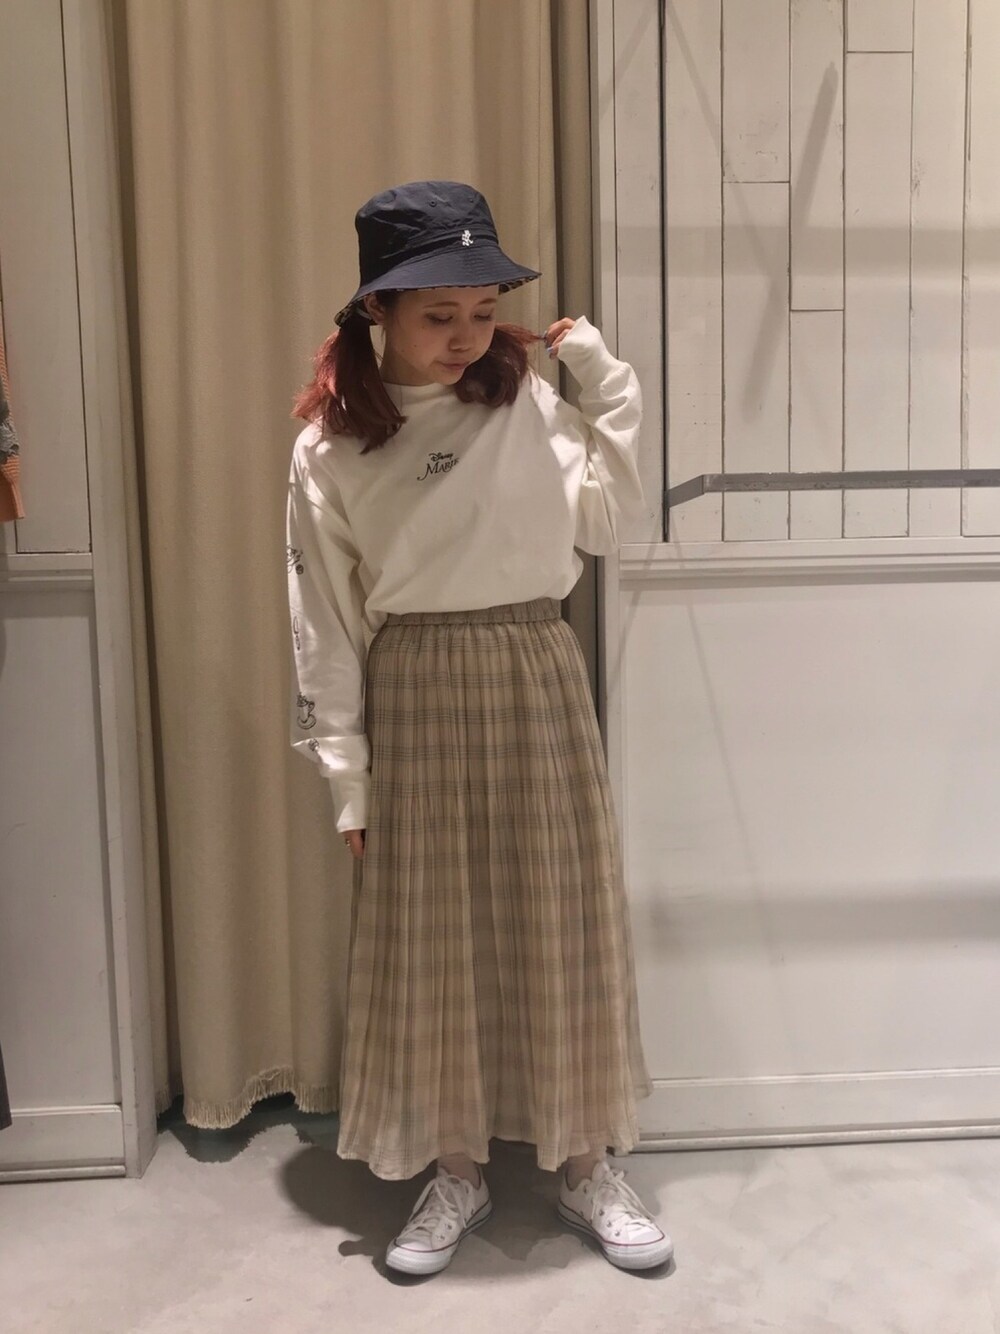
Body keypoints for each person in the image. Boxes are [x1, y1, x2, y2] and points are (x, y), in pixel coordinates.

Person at [286, 180, 672, 1277]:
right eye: (438, 314)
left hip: (535, 665)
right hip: (414, 683)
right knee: (432, 938)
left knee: (561, 918)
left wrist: (606, 382)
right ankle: (455, 1166)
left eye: (483, 310)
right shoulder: (331, 446)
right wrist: (347, 777)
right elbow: (321, 619)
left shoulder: (528, 402)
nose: (466, 337)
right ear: (377, 310)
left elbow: (606, 520)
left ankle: (585, 1159)